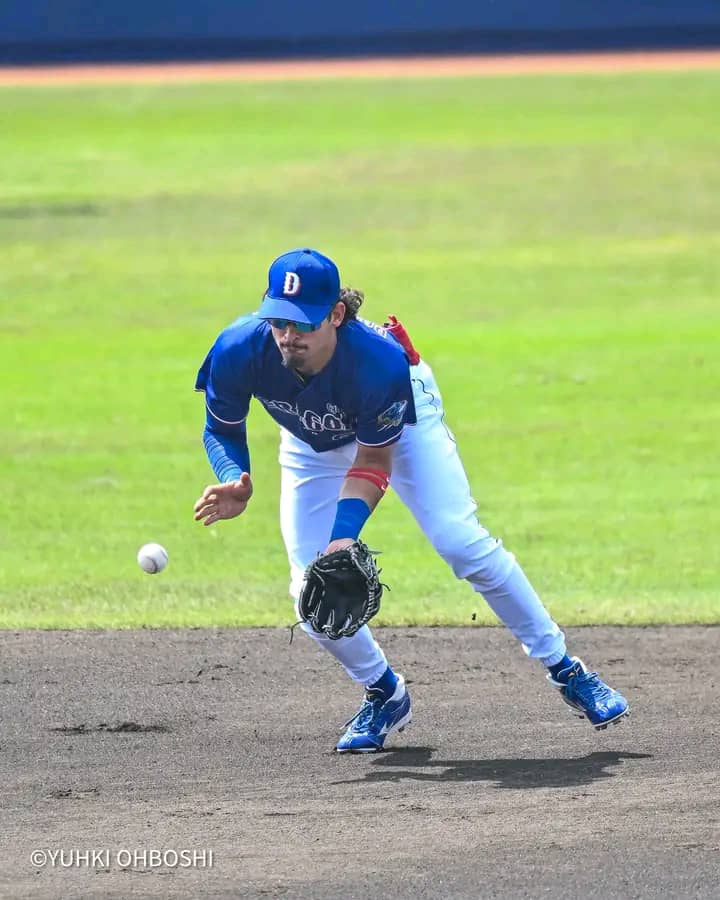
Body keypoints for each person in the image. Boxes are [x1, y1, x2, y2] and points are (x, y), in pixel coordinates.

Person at [193, 247, 629, 753]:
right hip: (312, 442)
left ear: (336, 314)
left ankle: (567, 670)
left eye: (303, 325)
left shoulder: (377, 363)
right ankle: (384, 693)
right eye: (279, 322)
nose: (289, 337)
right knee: (308, 591)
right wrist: (235, 477)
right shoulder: (238, 348)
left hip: (400, 420)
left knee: (459, 541)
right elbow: (220, 427)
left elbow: (373, 464)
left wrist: (343, 538)